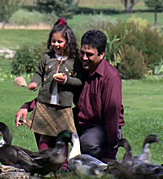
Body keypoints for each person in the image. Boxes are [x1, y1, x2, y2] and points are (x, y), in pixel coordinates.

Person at [16, 29, 125, 163]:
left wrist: (111, 155)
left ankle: (98, 161)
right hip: (79, 120)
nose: (84, 58)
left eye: (89, 55)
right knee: (44, 120)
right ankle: (49, 164)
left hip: (100, 126)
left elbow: (112, 116)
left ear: (102, 55)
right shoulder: (79, 67)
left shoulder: (110, 78)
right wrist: (28, 106)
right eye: (82, 53)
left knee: (87, 144)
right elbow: (53, 94)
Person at [24, 18, 83, 167]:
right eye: (53, 41)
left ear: (68, 42)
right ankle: (45, 163)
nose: (56, 44)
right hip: (45, 104)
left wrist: (66, 80)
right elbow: (38, 73)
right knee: (44, 137)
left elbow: (79, 81)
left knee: (62, 138)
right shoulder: (47, 58)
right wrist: (34, 83)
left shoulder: (74, 61)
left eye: (60, 42)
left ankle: (62, 166)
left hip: (63, 107)